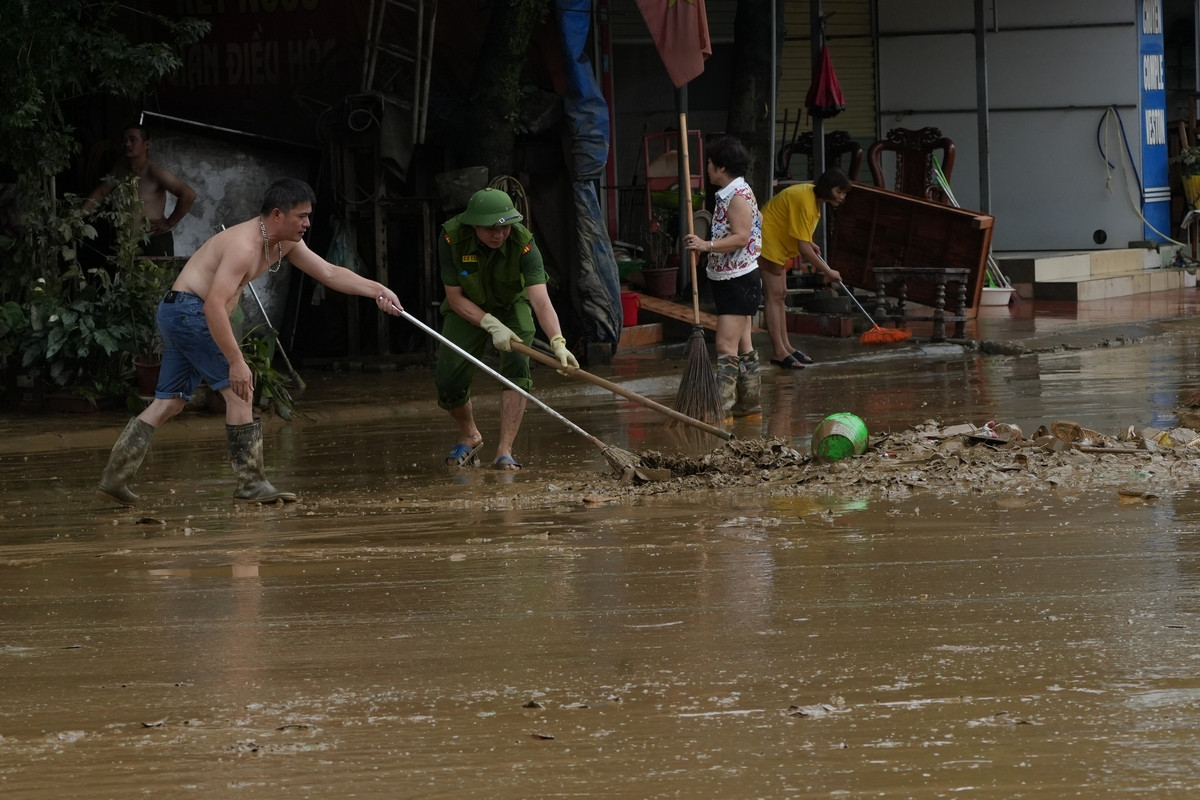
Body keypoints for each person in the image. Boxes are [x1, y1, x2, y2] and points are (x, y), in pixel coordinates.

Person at [96, 178, 404, 506]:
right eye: (301, 216)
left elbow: (328, 273)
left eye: (308, 216)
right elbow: (214, 304)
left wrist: (378, 290)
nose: (307, 223)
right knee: (241, 391)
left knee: (170, 402)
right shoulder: (245, 246)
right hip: (190, 312)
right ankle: (250, 483)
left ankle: (115, 477)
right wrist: (235, 362)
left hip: (179, 311)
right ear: (276, 215)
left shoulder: (284, 242)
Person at [436, 187, 578, 471]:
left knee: (516, 367)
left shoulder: (524, 242)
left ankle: (505, 450)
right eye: (490, 229)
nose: (499, 235)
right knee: (449, 378)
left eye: (505, 228)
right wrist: (489, 323)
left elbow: (540, 298)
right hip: (467, 306)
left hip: (512, 305)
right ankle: (470, 434)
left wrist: (557, 341)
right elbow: (454, 296)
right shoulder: (452, 237)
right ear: (473, 224)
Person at [683, 136, 763, 418]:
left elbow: (741, 237)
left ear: (721, 167)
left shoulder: (737, 196)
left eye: (708, 163)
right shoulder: (734, 192)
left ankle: (721, 409)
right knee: (743, 344)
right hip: (732, 278)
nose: (706, 167)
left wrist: (707, 246)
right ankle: (749, 404)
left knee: (725, 345)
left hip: (738, 281)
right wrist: (704, 247)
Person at [757, 167, 852, 370]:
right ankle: (778, 351)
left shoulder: (813, 200)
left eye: (844, 193)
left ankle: (787, 347)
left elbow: (803, 238)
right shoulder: (804, 199)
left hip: (779, 243)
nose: (842, 197)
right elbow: (803, 248)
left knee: (781, 295)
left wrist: (810, 243)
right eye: (839, 192)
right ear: (828, 188)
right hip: (768, 240)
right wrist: (828, 271)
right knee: (774, 297)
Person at [84, 124, 196, 257]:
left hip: (152, 241)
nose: (127, 144)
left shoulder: (154, 171)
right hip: (126, 242)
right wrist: (78, 216)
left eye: (133, 140)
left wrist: (169, 222)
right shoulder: (120, 166)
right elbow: (102, 192)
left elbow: (188, 195)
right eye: (124, 140)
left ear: (146, 144)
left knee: (152, 277)